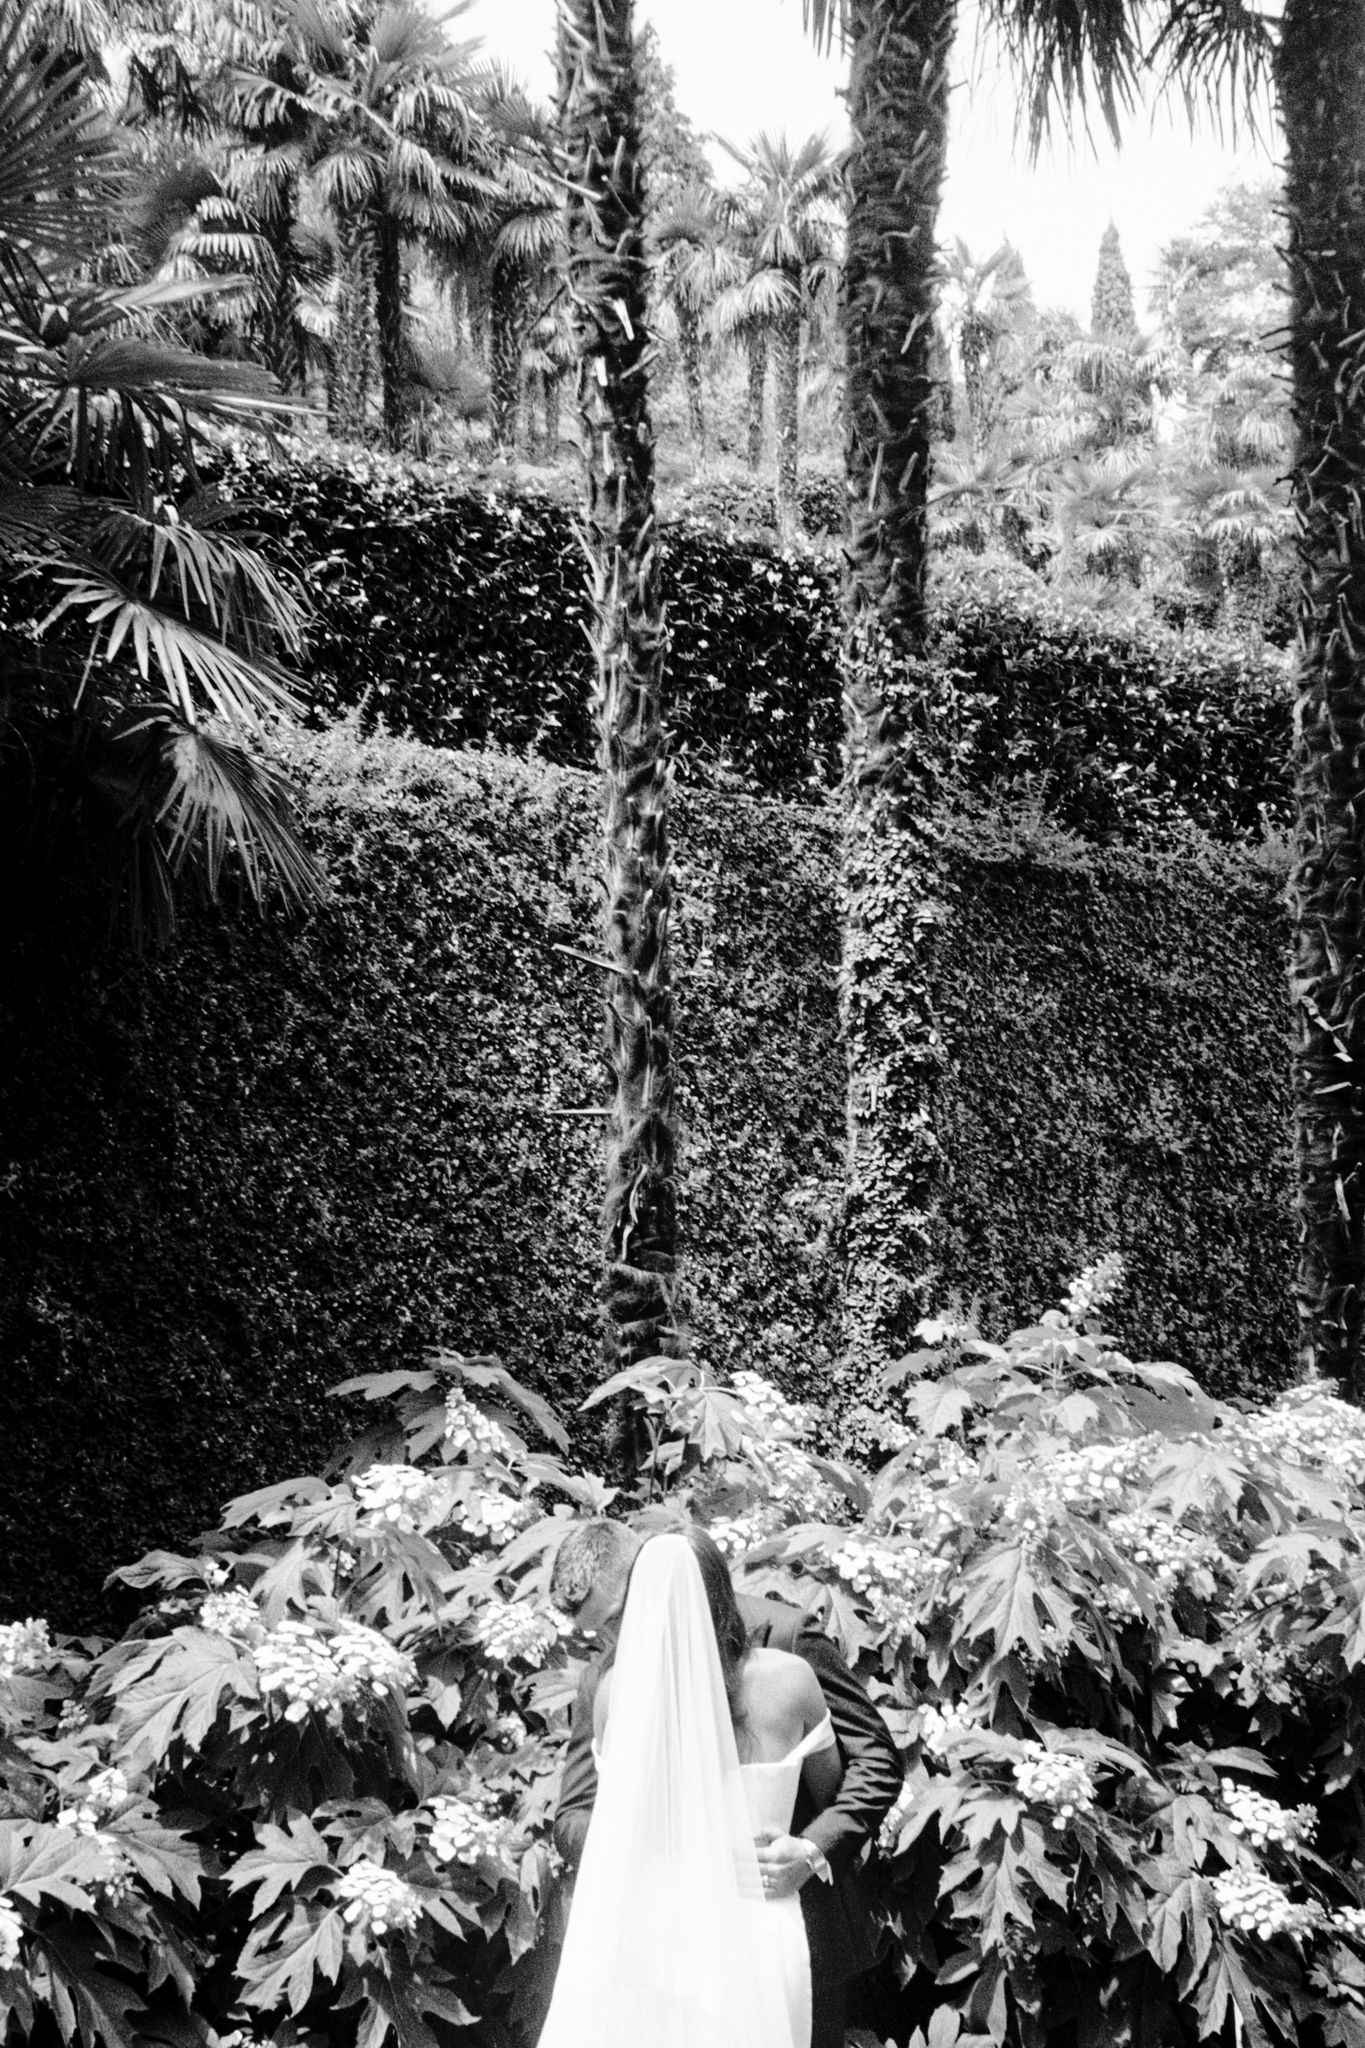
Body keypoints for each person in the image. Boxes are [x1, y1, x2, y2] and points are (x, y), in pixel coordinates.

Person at [551, 1520, 903, 2048]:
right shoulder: (608, 1679)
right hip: (667, 1952)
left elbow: (874, 1759)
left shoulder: (787, 1637)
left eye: (617, 1618)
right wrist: (651, 1846)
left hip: (798, 1927)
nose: (613, 1642)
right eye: (598, 1633)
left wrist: (811, 1848)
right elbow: (574, 1816)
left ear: (644, 1571)